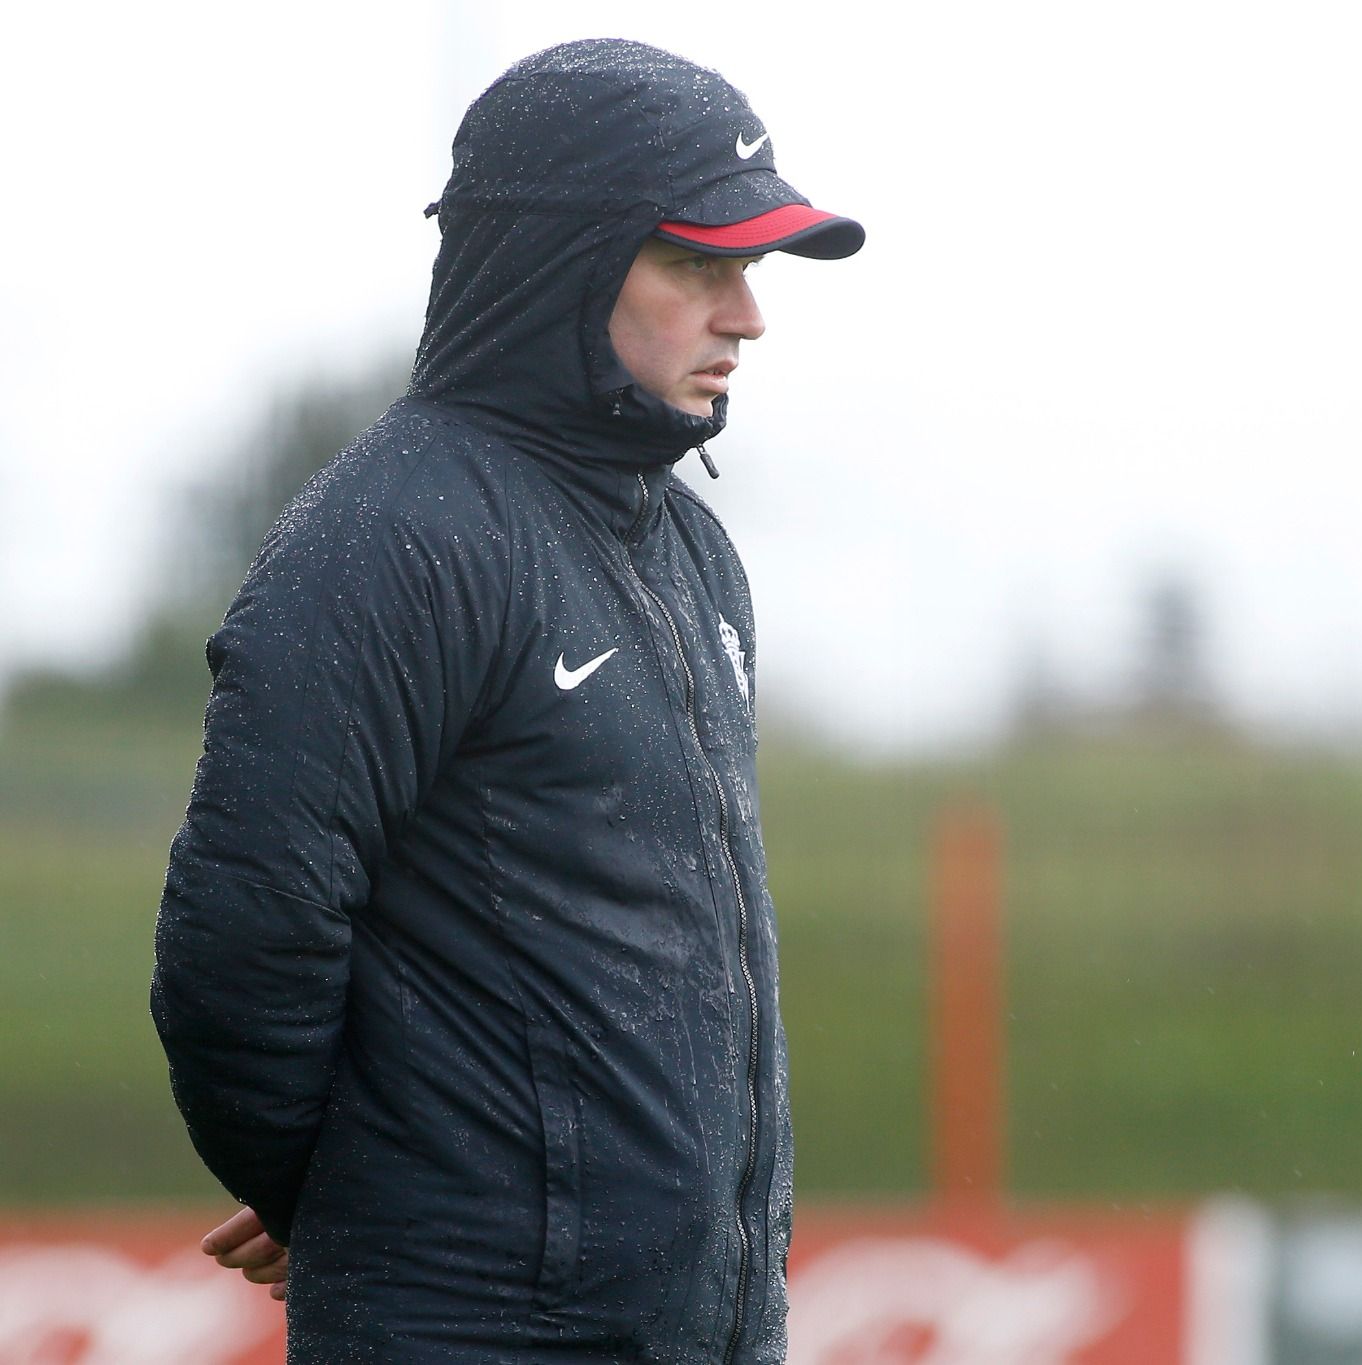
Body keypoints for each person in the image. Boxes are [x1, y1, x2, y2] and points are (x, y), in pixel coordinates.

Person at [151, 38, 862, 1363]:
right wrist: (345, 1193)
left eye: (753, 266)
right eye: (699, 262)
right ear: (565, 263)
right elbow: (241, 939)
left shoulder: (696, 555)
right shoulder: (393, 539)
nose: (748, 313)